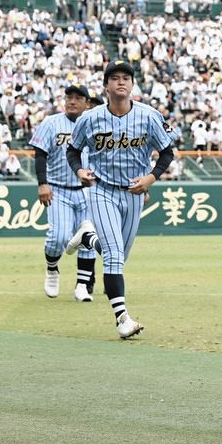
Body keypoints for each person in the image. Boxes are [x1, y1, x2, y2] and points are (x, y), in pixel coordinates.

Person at [67, 61, 177, 339]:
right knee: (114, 257)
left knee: (118, 257)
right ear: (106, 86)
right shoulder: (89, 119)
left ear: (132, 84)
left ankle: (88, 237)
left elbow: (167, 153)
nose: (120, 82)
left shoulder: (149, 116)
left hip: (134, 193)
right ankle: (122, 319)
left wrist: (151, 178)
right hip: (102, 190)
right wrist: (80, 170)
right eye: (114, 78)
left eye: (125, 77)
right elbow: (73, 151)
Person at [28, 84, 99, 302]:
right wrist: (42, 183)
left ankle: (82, 286)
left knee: (89, 239)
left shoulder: (96, 125)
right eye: (69, 97)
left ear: (87, 103)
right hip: (59, 189)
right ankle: (52, 269)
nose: (72, 101)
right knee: (57, 237)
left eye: (78, 98)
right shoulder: (52, 123)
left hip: (89, 190)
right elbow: (40, 154)